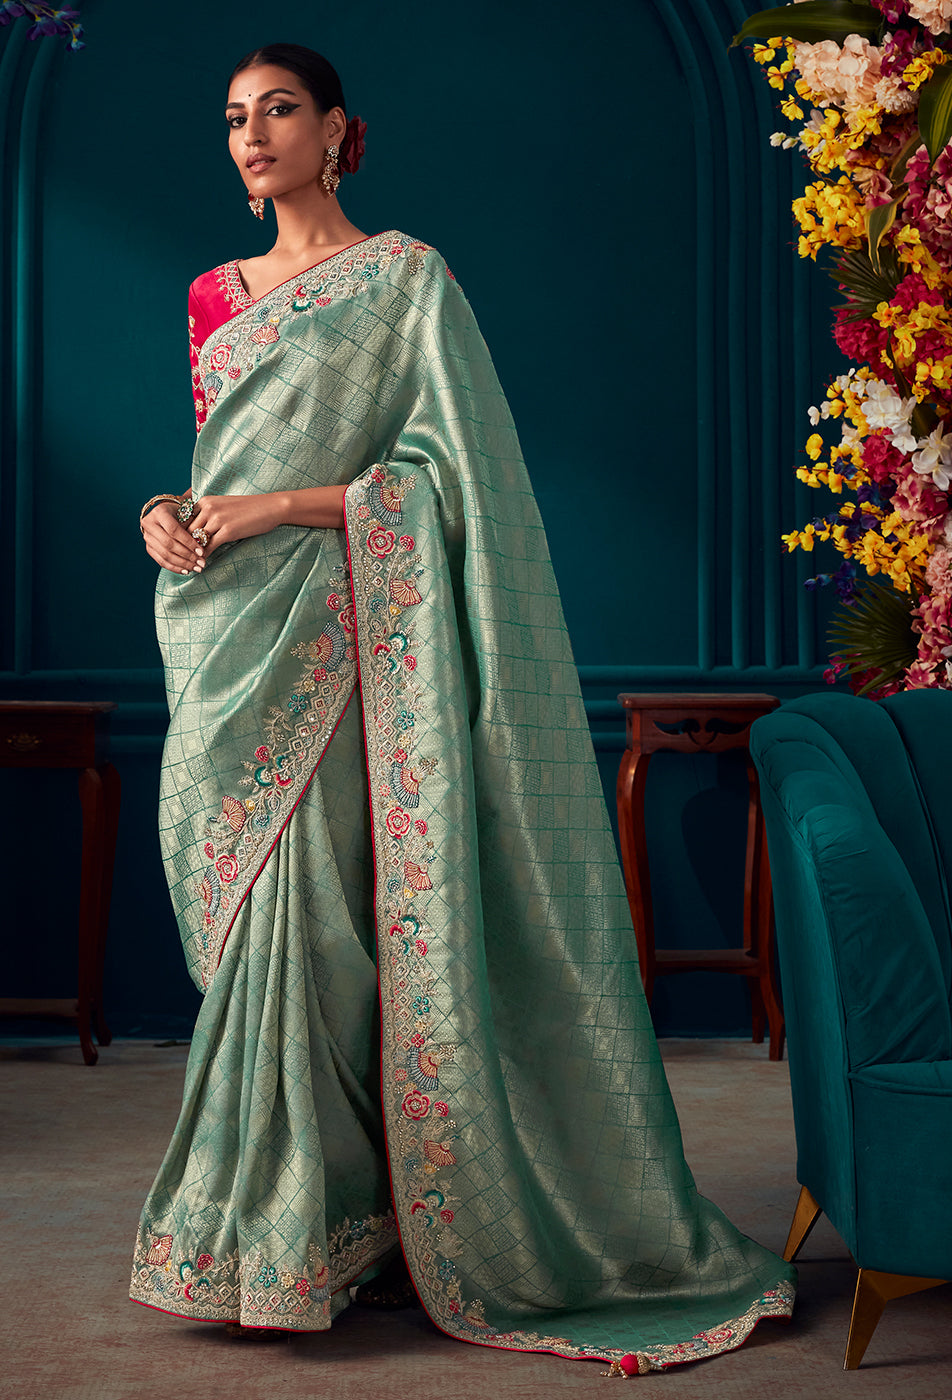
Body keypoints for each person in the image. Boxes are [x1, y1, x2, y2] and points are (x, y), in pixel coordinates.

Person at [130, 41, 795, 1375]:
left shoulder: (405, 281)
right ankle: (305, 1233)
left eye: (280, 111)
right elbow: (211, 464)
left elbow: (446, 483)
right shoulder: (212, 295)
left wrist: (273, 508)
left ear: (338, 132)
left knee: (323, 935)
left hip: (345, 639)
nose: (254, 135)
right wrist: (168, 512)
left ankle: (305, 1239)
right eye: (236, 117)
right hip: (225, 637)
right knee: (261, 927)